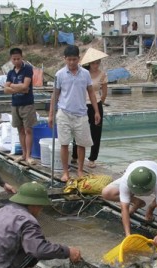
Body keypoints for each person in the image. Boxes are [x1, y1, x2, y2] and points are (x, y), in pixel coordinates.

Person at [49, 45, 100, 182]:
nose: (72, 62)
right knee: (64, 143)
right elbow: (55, 95)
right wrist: (51, 115)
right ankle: (66, 172)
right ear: (65, 59)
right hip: (64, 113)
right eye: (69, 60)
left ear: (79, 59)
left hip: (81, 113)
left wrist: (96, 111)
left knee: (82, 143)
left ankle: (80, 170)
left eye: (74, 59)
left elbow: (91, 92)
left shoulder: (85, 74)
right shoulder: (59, 74)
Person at [101, 161, 157, 245]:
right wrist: (128, 235)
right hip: (134, 176)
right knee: (106, 193)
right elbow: (124, 208)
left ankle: (151, 208)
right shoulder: (125, 181)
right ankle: (137, 202)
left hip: (153, 173)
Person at [71, 48, 108, 169]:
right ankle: (75, 155)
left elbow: (104, 93)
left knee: (96, 133)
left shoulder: (102, 74)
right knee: (78, 130)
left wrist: (98, 105)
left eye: (97, 63)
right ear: (89, 63)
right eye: (93, 63)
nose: (95, 65)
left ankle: (92, 158)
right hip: (81, 105)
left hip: (95, 104)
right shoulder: (81, 72)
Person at [4, 47, 37, 165]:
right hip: (15, 104)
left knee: (28, 129)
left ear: (22, 57)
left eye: (18, 58)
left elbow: (26, 86)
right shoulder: (10, 72)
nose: (16, 61)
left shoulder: (27, 69)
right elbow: (5, 89)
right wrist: (18, 87)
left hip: (27, 104)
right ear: (11, 59)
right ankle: (23, 154)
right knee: (20, 129)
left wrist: (12, 86)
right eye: (14, 59)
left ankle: (29, 155)